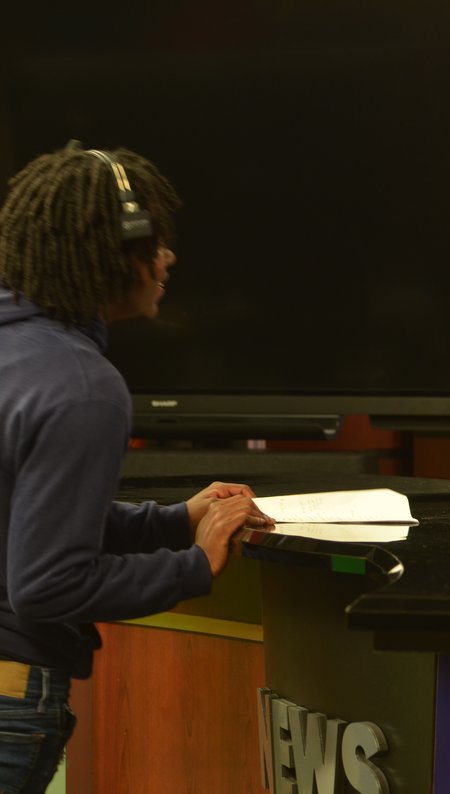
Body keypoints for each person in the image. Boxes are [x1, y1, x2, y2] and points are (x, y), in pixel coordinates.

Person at [0, 142, 273, 792]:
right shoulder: (81, 385)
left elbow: (26, 514)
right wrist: (194, 564)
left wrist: (176, 522)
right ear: (116, 249)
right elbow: (44, 585)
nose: (167, 257)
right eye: (155, 241)